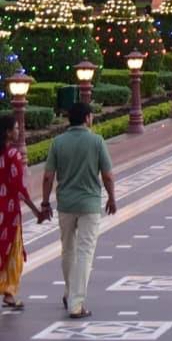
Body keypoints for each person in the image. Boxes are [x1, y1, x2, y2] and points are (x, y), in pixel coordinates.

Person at [41, 102, 116, 320]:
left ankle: (69, 292)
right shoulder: (96, 141)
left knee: (68, 250)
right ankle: (76, 303)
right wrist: (111, 197)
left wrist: (45, 203)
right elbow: (107, 175)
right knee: (84, 252)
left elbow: (47, 176)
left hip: (65, 204)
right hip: (89, 204)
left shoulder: (58, 142)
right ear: (87, 118)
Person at [0, 115, 47, 309]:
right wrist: (36, 211)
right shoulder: (13, 154)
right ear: (8, 132)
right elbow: (19, 188)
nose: (19, 131)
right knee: (13, 252)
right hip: (9, 212)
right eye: (16, 128)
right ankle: (9, 293)